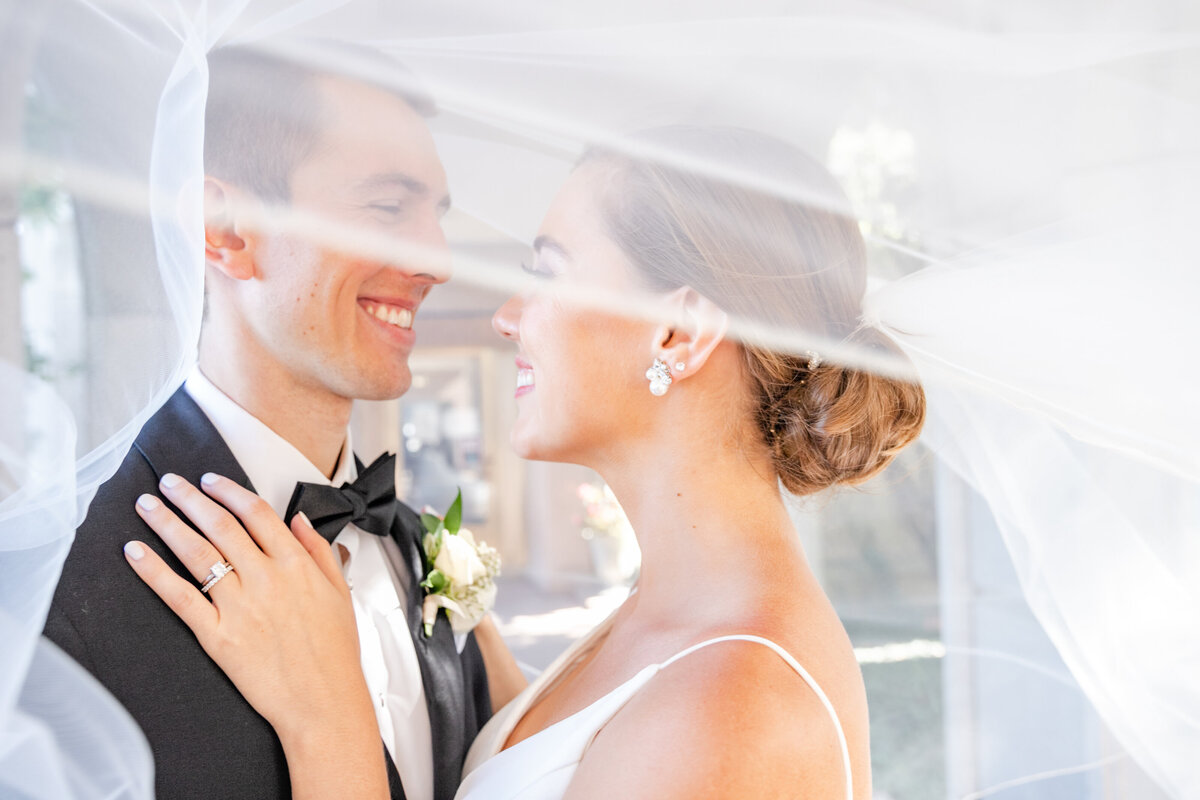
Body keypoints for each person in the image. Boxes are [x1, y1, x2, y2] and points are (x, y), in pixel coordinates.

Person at [124, 126, 926, 799]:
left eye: (547, 274)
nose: (508, 318)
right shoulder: (673, 615)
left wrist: (327, 721)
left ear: (676, 336)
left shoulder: (738, 706)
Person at [43, 47, 511, 800]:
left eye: (436, 216)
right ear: (225, 229)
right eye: (389, 208)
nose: (437, 258)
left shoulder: (423, 549)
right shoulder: (63, 579)